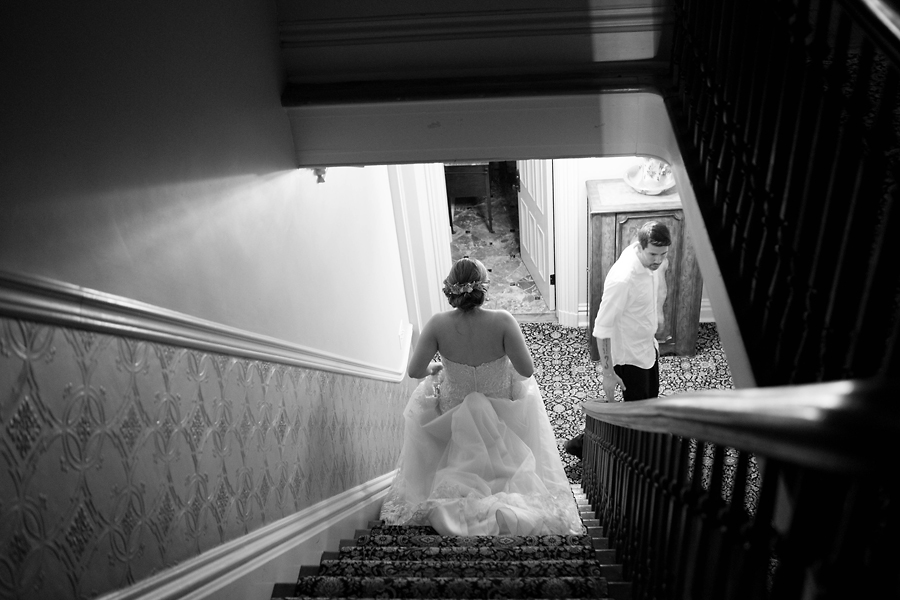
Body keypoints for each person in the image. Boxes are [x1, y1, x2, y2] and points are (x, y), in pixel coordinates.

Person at [380, 257, 583, 536]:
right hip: (500, 410)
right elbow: (526, 370)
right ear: (483, 288)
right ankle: (503, 489)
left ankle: (455, 495)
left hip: (453, 411)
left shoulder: (437, 324)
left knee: (426, 396)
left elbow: (415, 371)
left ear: (452, 289)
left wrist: (434, 367)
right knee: (529, 391)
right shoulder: (503, 321)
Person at [564, 221, 671, 459]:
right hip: (628, 359)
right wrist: (608, 373)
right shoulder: (623, 279)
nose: (658, 260)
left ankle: (639, 447)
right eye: (653, 255)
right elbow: (602, 329)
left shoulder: (653, 258)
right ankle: (583, 445)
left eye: (663, 254)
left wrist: (659, 313)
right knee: (633, 415)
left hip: (647, 349)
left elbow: (660, 273)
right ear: (640, 247)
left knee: (648, 406)